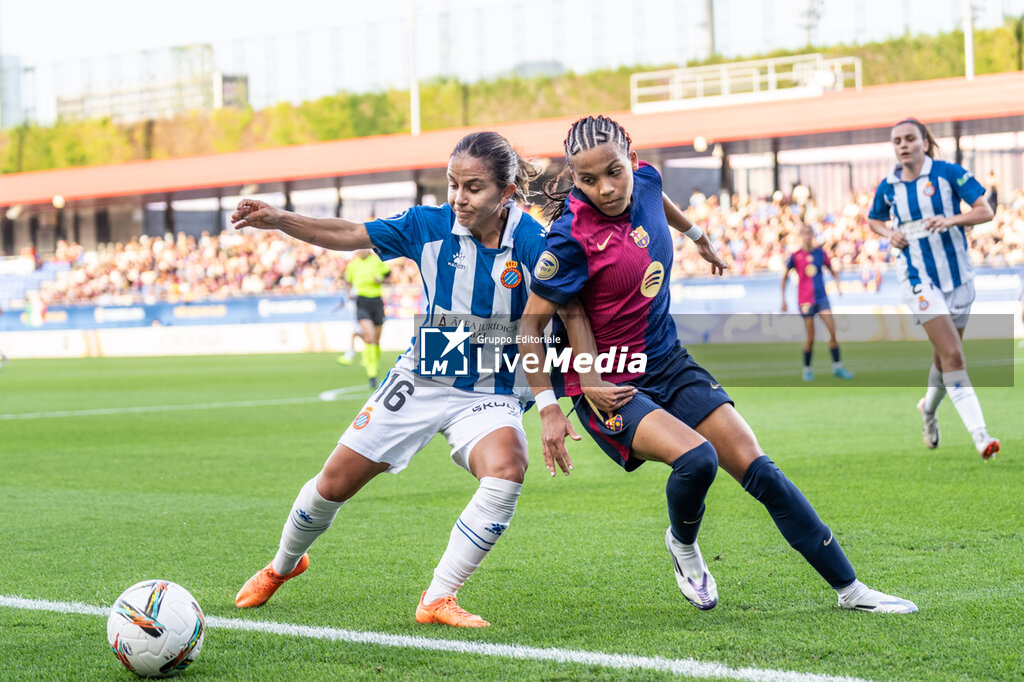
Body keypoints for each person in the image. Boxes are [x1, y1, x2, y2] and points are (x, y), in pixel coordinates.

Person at [519, 115, 918, 614]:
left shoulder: (644, 183)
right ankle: (683, 546)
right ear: (575, 179)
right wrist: (549, 407)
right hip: (607, 382)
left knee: (762, 471)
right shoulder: (569, 238)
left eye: (614, 172)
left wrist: (696, 234)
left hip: (667, 359)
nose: (605, 189)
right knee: (697, 459)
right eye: (588, 180)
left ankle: (851, 591)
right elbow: (530, 328)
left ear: (634, 163)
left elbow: (654, 198)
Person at [231, 131, 573, 628]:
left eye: (473, 187)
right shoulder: (426, 224)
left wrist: (553, 403)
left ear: (506, 192)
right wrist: (280, 220)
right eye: (453, 184)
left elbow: (549, 324)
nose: (459, 197)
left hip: (491, 389)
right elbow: (349, 235)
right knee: (333, 484)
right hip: (429, 370)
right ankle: (282, 566)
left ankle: (438, 598)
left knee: (507, 468)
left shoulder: (536, 244)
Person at [867, 118, 999, 459]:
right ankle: (981, 437)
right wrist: (887, 234)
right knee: (954, 355)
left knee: (944, 357)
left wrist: (951, 219)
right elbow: (874, 220)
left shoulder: (948, 173)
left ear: (925, 142)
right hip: (917, 280)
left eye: (910, 138)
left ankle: (928, 409)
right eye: (897, 141)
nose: (903, 145)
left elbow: (986, 210)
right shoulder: (888, 186)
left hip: (958, 278)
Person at [781, 222, 854, 381]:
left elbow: (832, 270)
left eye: (810, 233)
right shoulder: (796, 255)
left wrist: (838, 285)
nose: (807, 236)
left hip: (822, 298)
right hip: (805, 300)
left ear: (813, 235)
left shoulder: (821, 253)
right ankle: (806, 369)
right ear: (801, 236)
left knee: (832, 331)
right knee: (811, 337)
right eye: (804, 233)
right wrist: (783, 299)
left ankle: (837, 367)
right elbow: (785, 277)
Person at [336, 248, 390, 388]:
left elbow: (388, 276)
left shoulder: (377, 261)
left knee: (376, 341)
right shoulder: (353, 265)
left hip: (377, 302)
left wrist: (381, 279)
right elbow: (348, 282)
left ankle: (374, 367)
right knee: (370, 337)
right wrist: (349, 293)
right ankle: (371, 373)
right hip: (362, 303)